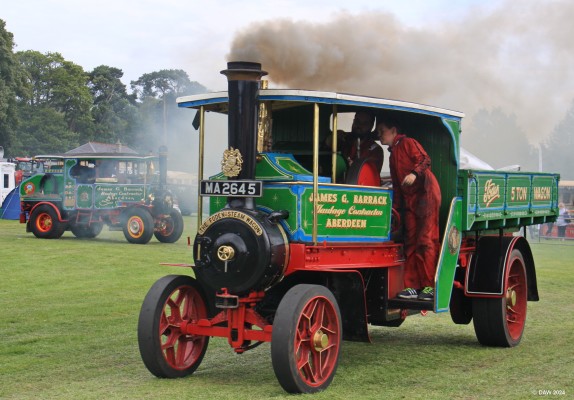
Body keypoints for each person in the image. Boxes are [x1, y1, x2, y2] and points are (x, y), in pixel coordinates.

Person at [377, 117, 441, 301]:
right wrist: (395, 210)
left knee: (426, 240)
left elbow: (425, 160)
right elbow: (397, 186)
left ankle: (429, 287)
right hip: (411, 199)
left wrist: (414, 174)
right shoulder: (392, 154)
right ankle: (412, 286)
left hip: (425, 194)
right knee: (410, 239)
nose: (379, 134)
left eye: (382, 130)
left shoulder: (407, 143)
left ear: (393, 130)